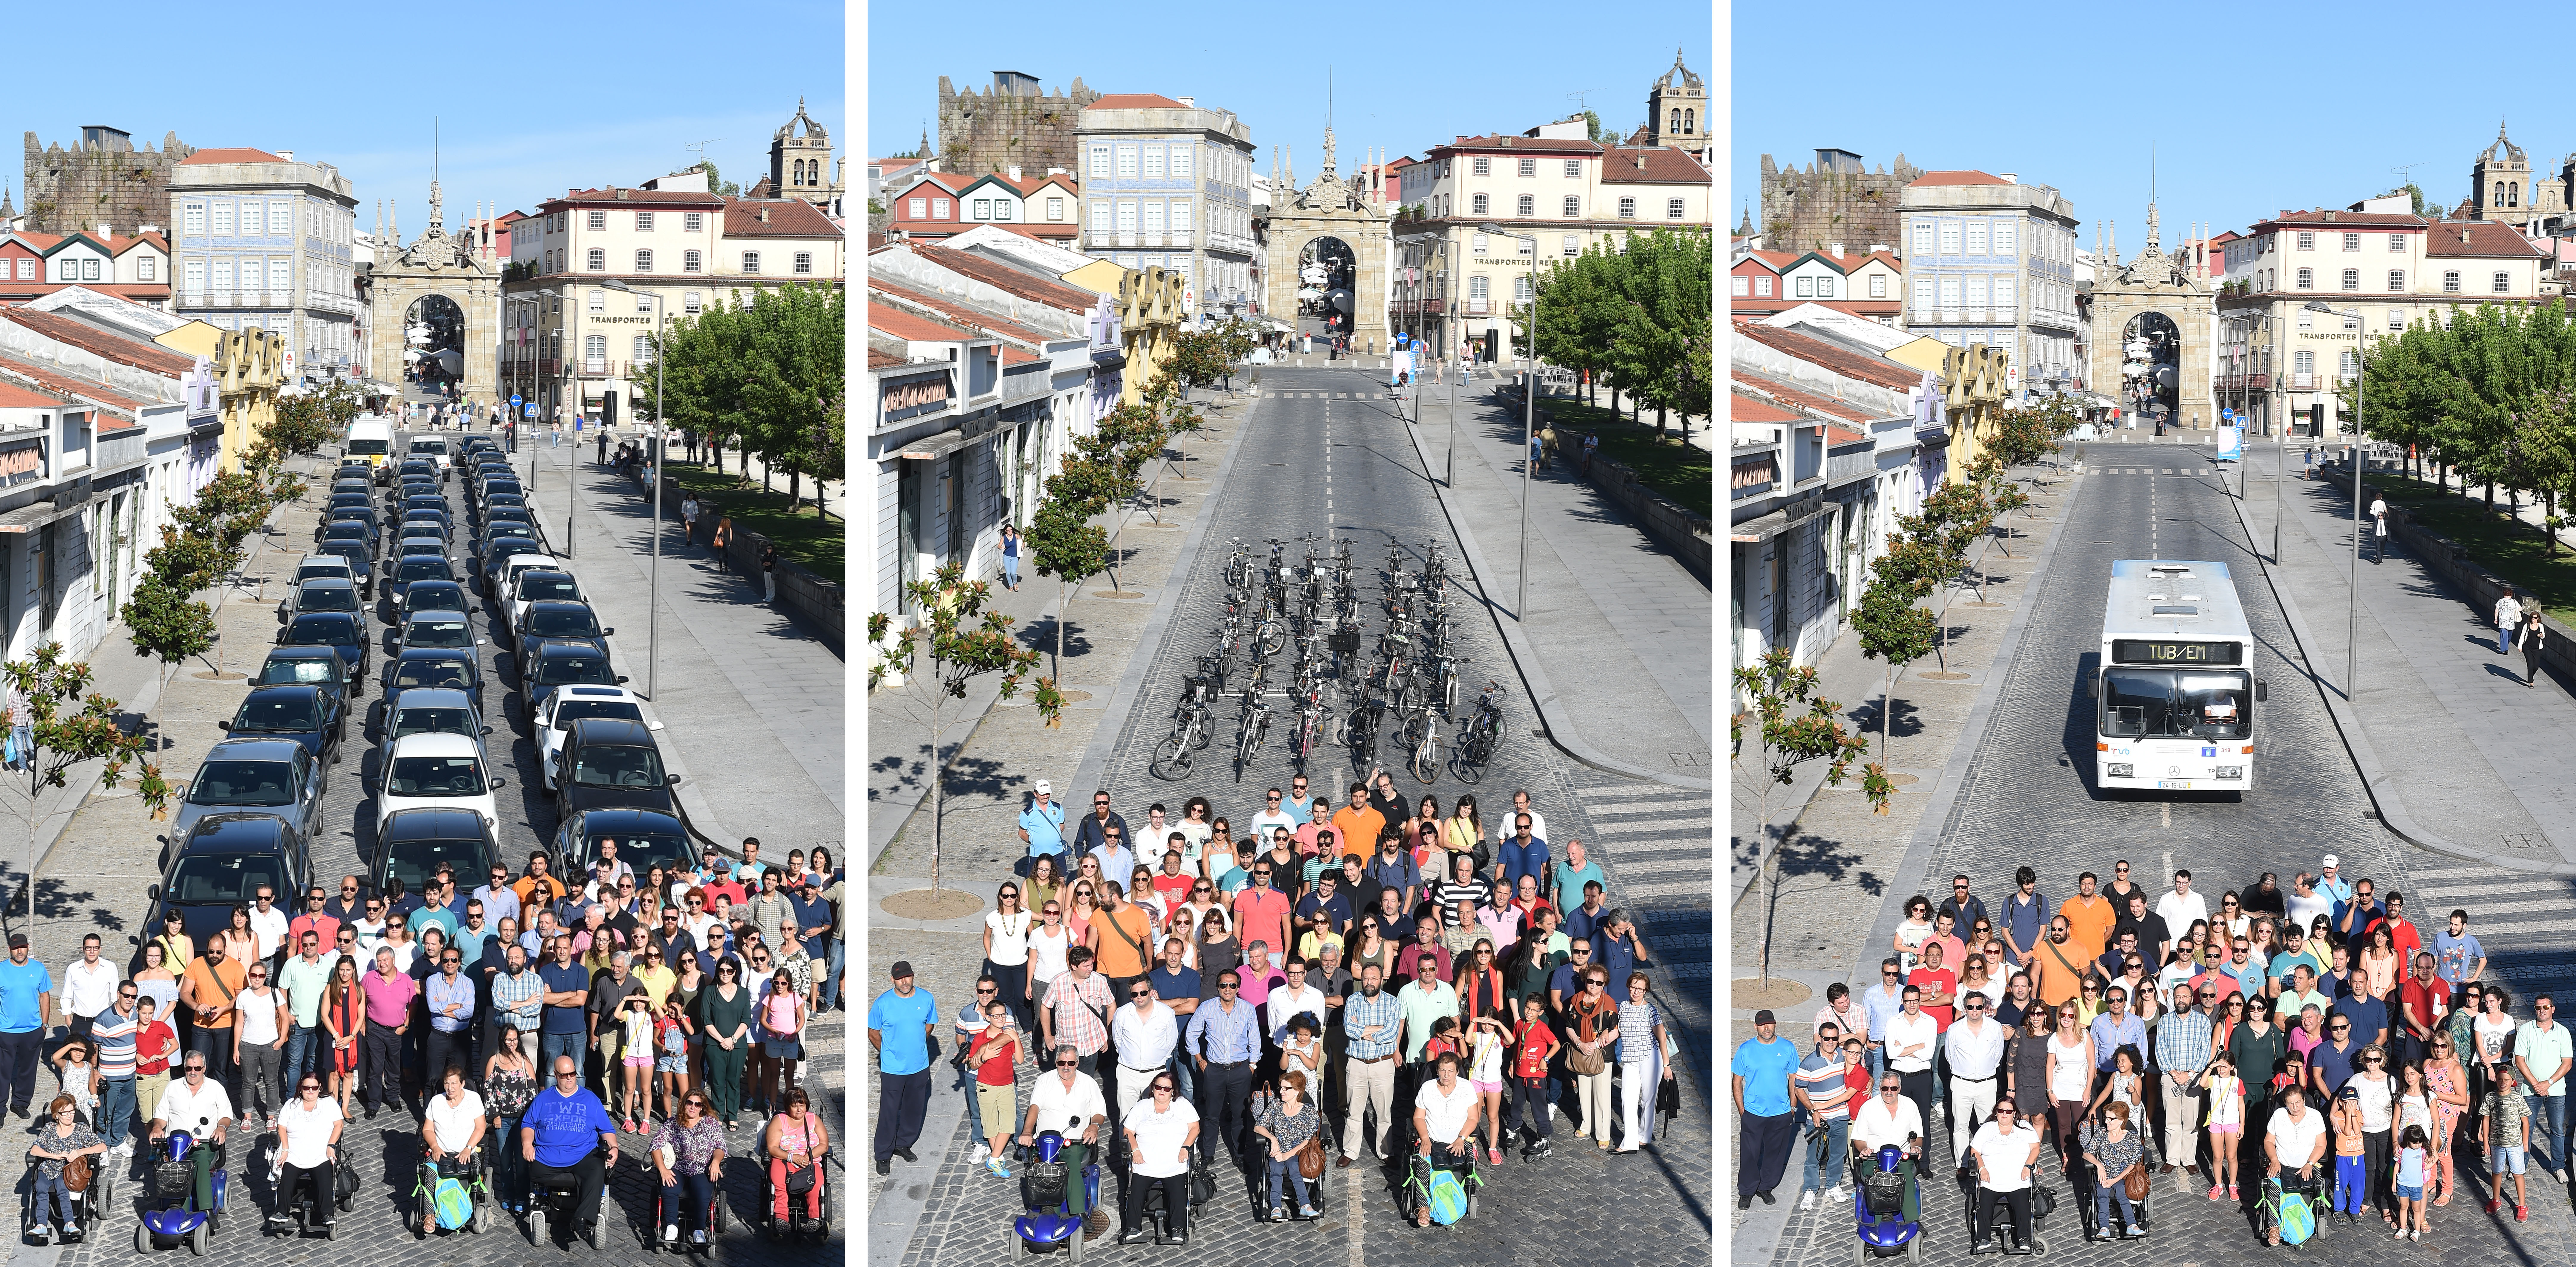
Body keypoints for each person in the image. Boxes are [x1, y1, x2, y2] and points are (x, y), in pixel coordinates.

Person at [522, 1054, 619, 1237]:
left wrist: (614, 1148)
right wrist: (528, 1144)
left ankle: (583, 1220)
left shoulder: (590, 1100)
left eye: (572, 1074)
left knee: (598, 1169)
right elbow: (528, 1125)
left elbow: (606, 1129)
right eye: (564, 1075)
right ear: (555, 1075)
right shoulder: (543, 1099)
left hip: (582, 1156)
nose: (569, 1078)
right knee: (534, 1173)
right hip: (548, 1158)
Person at [1021, 1045, 1109, 1235]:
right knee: (1044, 1166)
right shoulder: (1044, 1080)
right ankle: (1047, 1212)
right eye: (1062, 1063)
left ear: (1077, 1063)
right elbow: (1034, 1107)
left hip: (1075, 1141)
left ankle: (1080, 1213)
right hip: (1047, 1141)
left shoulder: (1088, 1083)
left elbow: (1100, 1113)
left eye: (1071, 1063)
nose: (1066, 1067)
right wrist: (1028, 1132)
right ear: (1056, 1063)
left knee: (1071, 1165)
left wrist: (1094, 1126)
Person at [866, 960, 935, 1176]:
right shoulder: (883, 1003)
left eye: (908, 977)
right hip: (893, 1068)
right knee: (888, 1111)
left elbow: (930, 1023)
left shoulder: (926, 998)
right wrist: (889, 1052)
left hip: (920, 1065)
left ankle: (904, 1143)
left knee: (915, 1108)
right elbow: (873, 1033)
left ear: (913, 976)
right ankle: (883, 1154)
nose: (904, 982)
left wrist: (918, 1044)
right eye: (899, 978)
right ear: (892, 980)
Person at [150, 1049, 236, 1216]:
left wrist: (221, 1128)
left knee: (201, 1163)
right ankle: (176, 1211)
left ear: (204, 1068)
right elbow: (160, 1116)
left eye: (197, 1069)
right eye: (189, 1069)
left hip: (203, 1144)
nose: (193, 1072)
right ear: (185, 1069)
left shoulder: (215, 1088)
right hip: (175, 1145)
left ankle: (206, 1210)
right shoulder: (173, 1087)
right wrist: (157, 1128)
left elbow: (226, 1116)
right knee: (176, 1168)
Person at [650, 1089, 726, 1248]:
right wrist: (663, 1169)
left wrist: (716, 1162)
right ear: (684, 1104)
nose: (693, 1107)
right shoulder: (673, 1123)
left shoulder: (710, 1124)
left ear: (702, 1107)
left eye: (697, 1104)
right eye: (689, 1103)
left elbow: (720, 1147)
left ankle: (699, 1229)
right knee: (669, 1188)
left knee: (704, 1193)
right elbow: (655, 1146)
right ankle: (671, 1226)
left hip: (702, 1167)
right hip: (679, 1166)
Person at [1966, 1097, 2044, 1251]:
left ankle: (2024, 1239)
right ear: (1996, 1112)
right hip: (1992, 1180)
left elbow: (2036, 1148)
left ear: (2014, 1113)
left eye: (2008, 1111)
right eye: (2001, 1111)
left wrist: (2028, 1166)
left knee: (2023, 1205)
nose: (2004, 1114)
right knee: (1983, 1204)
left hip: (2017, 1180)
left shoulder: (2024, 1128)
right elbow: (1975, 1152)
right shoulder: (1987, 1129)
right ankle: (1983, 1239)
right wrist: (1982, 1169)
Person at [269, 1072, 343, 1232]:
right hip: (295, 1155)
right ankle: (281, 1212)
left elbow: (339, 1125)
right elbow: (281, 1128)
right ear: (301, 1089)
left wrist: (331, 1145)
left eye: (314, 1088)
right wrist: (286, 1150)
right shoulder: (291, 1105)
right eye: (307, 1088)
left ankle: (327, 1214)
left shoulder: (329, 1104)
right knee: (287, 1176)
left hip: (320, 1155)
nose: (311, 1091)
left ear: (320, 1089)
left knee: (325, 1177)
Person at [1794, 1020, 1853, 1210]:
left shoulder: (1844, 1057)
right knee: (1814, 1157)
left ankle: (1833, 1185)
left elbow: (1857, 1071)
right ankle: (1811, 1189)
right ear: (1820, 1039)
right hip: (1818, 1119)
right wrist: (1813, 1111)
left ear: (1838, 1039)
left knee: (1838, 1154)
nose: (1830, 1042)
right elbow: (1799, 1089)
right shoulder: (1809, 1063)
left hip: (1841, 1116)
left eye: (1834, 1038)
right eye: (1826, 1038)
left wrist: (1868, 1078)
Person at [26, 1094, 102, 1239]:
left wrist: (80, 1152)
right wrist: (54, 1156)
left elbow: (102, 1146)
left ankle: (70, 1223)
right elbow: (35, 1150)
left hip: (68, 1171)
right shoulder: (49, 1129)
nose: (70, 1116)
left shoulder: (81, 1129)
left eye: (72, 1111)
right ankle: (41, 1225)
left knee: (62, 1187)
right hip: (48, 1168)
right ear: (57, 1115)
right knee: (41, 1187)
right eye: (65, 1113)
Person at [2262, 1084, 2330, 1246]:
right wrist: (2274, 1160)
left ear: (2304, 1100)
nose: (2295, 1107)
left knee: (2319, 1184)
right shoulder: (2279, 1115)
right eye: (2291, 1104)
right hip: (2282, 1164)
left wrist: (2310, 1163)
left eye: (2298, 1102)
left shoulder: (2315, 1116)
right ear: (2286, 1103)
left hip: (2309, 1164)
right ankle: (2274, 1228)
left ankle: (2311, 1217)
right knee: (2272, 1184)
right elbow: (2269, 1141)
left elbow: (2321, 1145)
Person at [1251, 1065, 1320, 1222]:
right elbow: (1258, 1126)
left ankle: (1305, 1205)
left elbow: (1308, 1139)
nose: (1281, 1091)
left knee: (1295, 1169)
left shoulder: (1308, 1111)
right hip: (1277, 1151)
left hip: (1298, 1152)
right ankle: (1276, 1206)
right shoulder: (1276, 1106)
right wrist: (1273, 1139)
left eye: (1285, 1089)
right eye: (1280, 1088)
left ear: (1297, 1091)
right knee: (1275, 1169)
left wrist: (1287, 1155)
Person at [2516, 992, 2573, 1182]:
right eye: (2538, 1008)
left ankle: (2558, 1166)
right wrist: (2536, 1084)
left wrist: (2548, 1083)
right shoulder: (2525, 1030)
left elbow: (2567, 1064)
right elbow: (2520, 1060)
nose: (2542, 1011)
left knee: (2557, 1130)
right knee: (2526, 1129)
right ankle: (2520, 1166)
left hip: (2556, 1090)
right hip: (2530, 1090)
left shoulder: (2563, 1032)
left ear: (2553, 1009)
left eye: (2545, 1007)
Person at [2081, 1101, 2145, 1240]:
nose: (2107, 1122)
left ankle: (2132, 1225)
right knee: (2102, 1192)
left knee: (2122, 1191)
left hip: (2124, 1176)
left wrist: (2115, 1180)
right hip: (2105, 1175)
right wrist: (2099, 1165)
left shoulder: (2132, 1138)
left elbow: (2132, 1165)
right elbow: (2086, 1153)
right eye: (2106, 1118)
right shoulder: (2102, 1134)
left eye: (2111, 1119)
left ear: (2122, 1120)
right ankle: (2104, 1227)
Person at [2484, 1063, 2533, 1221]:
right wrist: (2485, 1141)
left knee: (2518, 1173)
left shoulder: (2518, 1099)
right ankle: (2496, 1199)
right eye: (2499, 1079)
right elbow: (2486, 1120)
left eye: (2506, 1080)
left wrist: (2525, 1143)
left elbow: (2526, 1123)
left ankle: (2522, 1205)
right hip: (2496, 1143)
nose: (2503, 1083)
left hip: (2515, 1144)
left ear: (2513, 1081)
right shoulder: (2490, 1098)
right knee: (2497, 1172)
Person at [2497, 587, 2524, 656]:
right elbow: (2520, 609)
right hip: (2511, 622)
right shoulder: (2514, 602)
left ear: (2504, 594)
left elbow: (2496, 611)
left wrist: (2495, 619)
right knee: (2508, 636)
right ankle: (2505, 649)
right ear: (2511, 595)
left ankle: (2505, 646)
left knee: (2505, 636)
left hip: (2502, 622)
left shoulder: (2500, 601)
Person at [2525, 607, 2549, 686]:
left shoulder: (2541, 626)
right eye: (2532, 617)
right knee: (2530, 665)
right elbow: (2523, 636)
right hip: (2527, 648)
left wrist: (2542, 636)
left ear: (2538, 619)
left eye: (2535, 618)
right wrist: (2520, 647)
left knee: (2536, 666)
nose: (2533, 619)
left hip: (2537, 649)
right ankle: (2531, 682)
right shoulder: (2527, 626)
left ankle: (2531, 676)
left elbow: (2544, 636)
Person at [999, 522, 1022, 591]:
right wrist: (1002, 547)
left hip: (1015, 557)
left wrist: (1023, 546)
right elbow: (999, 546)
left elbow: (1023, 541)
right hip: (1006, 557)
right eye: (1009, 530)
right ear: (1006, 531)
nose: (1010, 531)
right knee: (1008, 573)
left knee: (1013, 573)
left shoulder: (1016, 536)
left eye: (1011, 530)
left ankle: (1015, 583)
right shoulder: (1004, 538)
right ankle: (1011, 586)